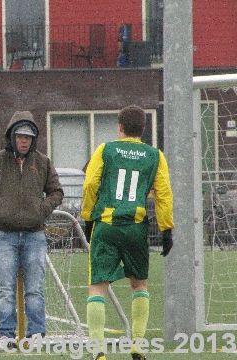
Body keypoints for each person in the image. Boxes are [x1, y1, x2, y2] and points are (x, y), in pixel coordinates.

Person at [81, 105, 174, 360]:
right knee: (139, 284)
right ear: (143, 129)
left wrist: (88, 216)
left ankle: (98, 351)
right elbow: (164, 194)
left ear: (119, 127)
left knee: (98, 287)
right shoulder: (155, 155)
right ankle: (138, 346)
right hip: (135, 227)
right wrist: (166, 229)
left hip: (107, 225)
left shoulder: (106, 149)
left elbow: (90, 183)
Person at [0, 110, 64, 346]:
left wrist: (42, 210)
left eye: (28, 136)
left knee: (35, 289)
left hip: (35, 235)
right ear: (12, 136)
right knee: (5, 289)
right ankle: (5, 334)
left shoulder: (43, 162)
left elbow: (57, 192)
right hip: (4, 236)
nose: (24, 140)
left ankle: (37, 334)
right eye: (20, 136)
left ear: (34, 138)